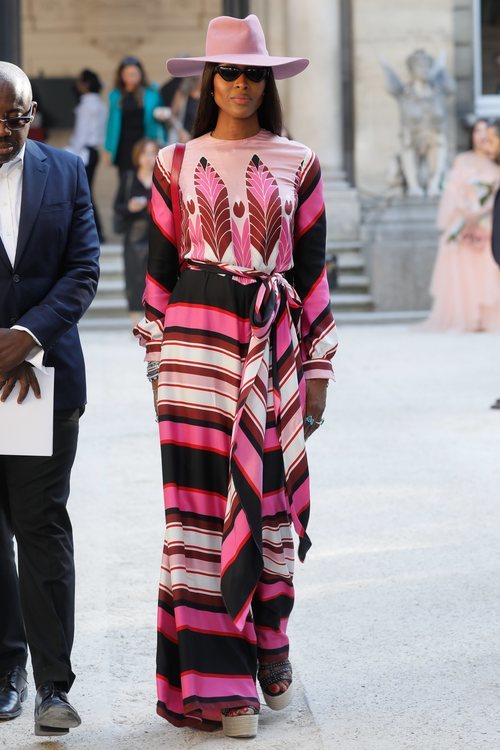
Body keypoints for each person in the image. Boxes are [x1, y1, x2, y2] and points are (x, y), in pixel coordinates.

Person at [134, 14, 338, 739]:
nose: (242, 85)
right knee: (196, 517)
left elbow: (312, 274)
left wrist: (317, 369)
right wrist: (156, 360)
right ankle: (224, 689)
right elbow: (157, 275)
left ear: (268, 82)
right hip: (193, 354)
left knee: (270, 503)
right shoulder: (173, 162)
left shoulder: (299, 161)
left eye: (254, 73)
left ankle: (272, 649)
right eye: (230, 72)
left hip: (275, 348)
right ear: (208, 81)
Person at [0, 62, 99, 736]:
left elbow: (83, 267)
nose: (7, 129)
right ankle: (4, 666)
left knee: (39, 529)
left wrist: (26, 335)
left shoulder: (64, 172)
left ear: (34, 113)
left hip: (37, 379)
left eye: (18, 115)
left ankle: (52, 687)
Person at [423, 118, 500, 331]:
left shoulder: (496, 164)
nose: (483, 136)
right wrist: (467, 214)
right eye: (478, 131)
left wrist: (483, 212)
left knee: (487, 270)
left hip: (488, 224)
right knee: (463, 270)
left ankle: (486, 319)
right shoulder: (463, 159)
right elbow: (453, 189)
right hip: (463, 221)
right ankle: (466, 317)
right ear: (472, 135)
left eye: (487, 132)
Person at [114, 137, 159, 324]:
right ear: (137, 156)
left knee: (157, 278)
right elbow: (118, 206)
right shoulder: (129, 177)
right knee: (134, 277)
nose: (148, 158)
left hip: (159, 236)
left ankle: (155, 320)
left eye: (152, 153)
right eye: (144, 153)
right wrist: (130, 207)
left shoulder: (163, 178)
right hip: (134, 235)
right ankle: (136, 322)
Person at [104, 56, 164, 177]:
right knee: (125, 179)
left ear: (141, 74)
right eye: (128, 73)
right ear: (121, 76)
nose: (131, 76)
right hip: (123, 144)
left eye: (134, 73)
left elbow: (161, 118)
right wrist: (108, 149)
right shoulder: (115, 96)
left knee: (145, 178)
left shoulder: (152, 94)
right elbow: (111, 125)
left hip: (144, 143)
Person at [67, 69, 107, 242]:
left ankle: (94, 231)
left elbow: (81, 135)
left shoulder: (85, 105)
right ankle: (97, 231)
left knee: (84, 193)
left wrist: (69, 150)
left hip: (83, 153)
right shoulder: (100, 104)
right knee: (87, 191)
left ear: (86, 84)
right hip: (93, 151)